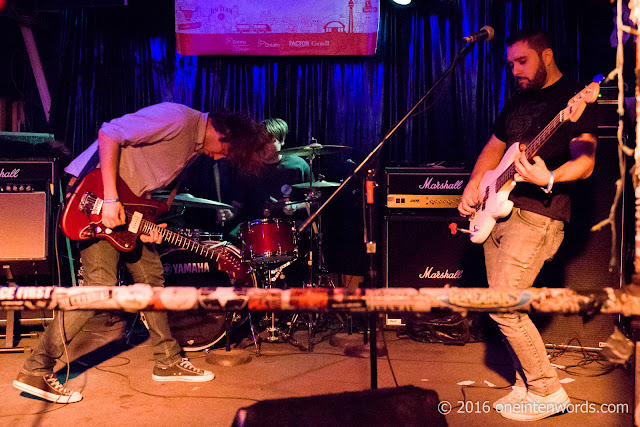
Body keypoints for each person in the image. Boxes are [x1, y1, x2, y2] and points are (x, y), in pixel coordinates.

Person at [13, 102, 269, 404]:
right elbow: (109, 133)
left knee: (151, 281)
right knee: (99, 289)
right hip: (95, 202)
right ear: (223, 132)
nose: (217, 157)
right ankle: (35, 368)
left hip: (126, 215)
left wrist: (146, 221)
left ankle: (168, 361)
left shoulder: (192, 147)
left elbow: (139, 179)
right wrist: (109, 199)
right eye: (224, 152)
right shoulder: (178, 118)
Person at [458, 29, 598, 421]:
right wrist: (474, 185)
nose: (515, 70)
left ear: (547, 55)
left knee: (503, 303)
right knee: (503, 303)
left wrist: (548, 178)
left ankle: (547, 390)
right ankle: (524, 384)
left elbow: (586, 162)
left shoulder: (574, 99)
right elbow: (493, 148)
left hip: (539, 215)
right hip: (496, 211)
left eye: (523, 61)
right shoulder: (518, 102)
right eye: (511, 64)